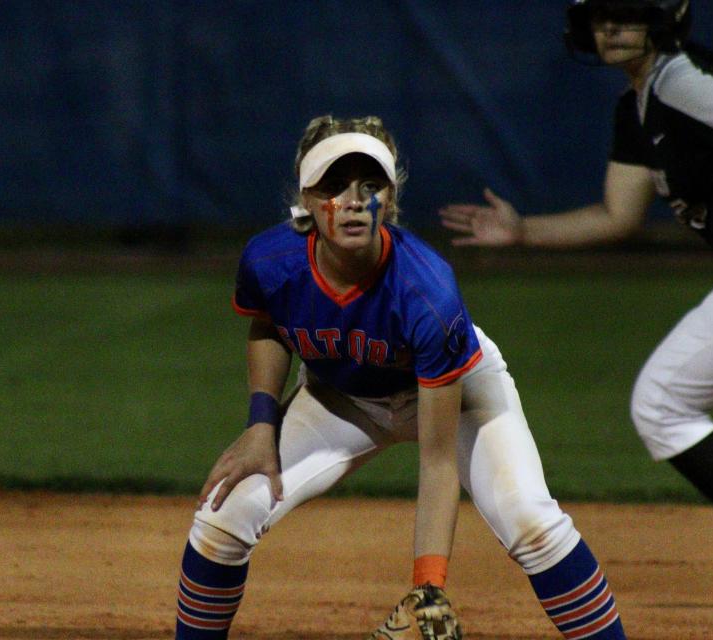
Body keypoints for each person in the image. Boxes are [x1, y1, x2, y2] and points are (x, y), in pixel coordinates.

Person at [440, 0, 713, 632]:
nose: (608, 28)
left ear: (666, 17)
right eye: (599, 16)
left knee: (663, 401)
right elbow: (617, 216)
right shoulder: (636, 108)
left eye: (626, 14)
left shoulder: (679, 80)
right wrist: (523, 230)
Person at [174, 114, 628, 639]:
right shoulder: (269, 259)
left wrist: (428, 584)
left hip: (458, 396)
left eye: (370, 186)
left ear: (389, 200)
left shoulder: (426, 291)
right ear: (305, 197)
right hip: (338, 401)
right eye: (333, 186)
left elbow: (436, 460)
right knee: (221, 519)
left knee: (531, 523)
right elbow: (270, 325)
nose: (351, 200)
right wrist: (260, 424)